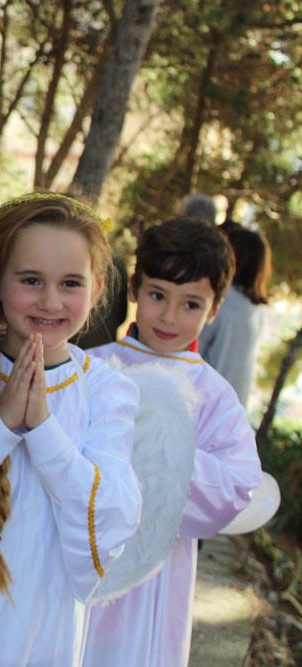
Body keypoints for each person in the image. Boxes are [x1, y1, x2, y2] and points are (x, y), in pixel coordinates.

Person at [0, 193, 143, 667]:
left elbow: (113, 514)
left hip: (41, 634)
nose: (51, 301)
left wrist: (41, 428)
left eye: (71, 283)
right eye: (32, 280)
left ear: (98, 289)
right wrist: (2, 425)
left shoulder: (108, 390)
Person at [83, 217, 261, 667]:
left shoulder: (213, 395)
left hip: (157, 575)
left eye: (191, 304)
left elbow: (238, 484)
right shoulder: (90, 367)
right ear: (134, 289)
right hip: (82, 545)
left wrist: (164, 456)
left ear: (215, 309)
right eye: (158, 295)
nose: (168, 316)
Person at [198, 221, 272, 407]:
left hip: (202, 406)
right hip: (232, 411)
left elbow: (190, 350)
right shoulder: (257, 309)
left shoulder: (221, 300)